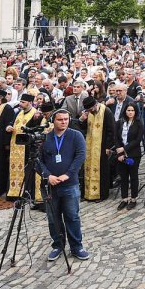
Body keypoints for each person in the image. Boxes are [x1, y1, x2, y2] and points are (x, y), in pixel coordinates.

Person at [37, 110, 90, 261]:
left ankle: (76, 246)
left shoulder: (76, 135)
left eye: (66, 119)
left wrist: (68, 174)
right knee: (53, 218)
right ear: (53, 121)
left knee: (72, 216)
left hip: (70, 184)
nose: (64, 122)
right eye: (60, 119)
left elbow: (80, 156)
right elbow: (37, 160)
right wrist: (48, 176)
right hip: (49, 185)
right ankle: (57, 245)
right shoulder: (45, 137)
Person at [113, 100, 144, 210]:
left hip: (133, 154)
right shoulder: (120, 122)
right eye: (128, 110)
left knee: (133, 176)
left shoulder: (139, 123)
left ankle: (134, 198)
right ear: (125, 111)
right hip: (121, 155)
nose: (130, 112)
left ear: (135, 112)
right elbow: (116, 138)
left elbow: (137, 140)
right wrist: (120, 152)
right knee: (123, 177)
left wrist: (124, 148)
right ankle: (124, 198)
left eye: (132, 110)